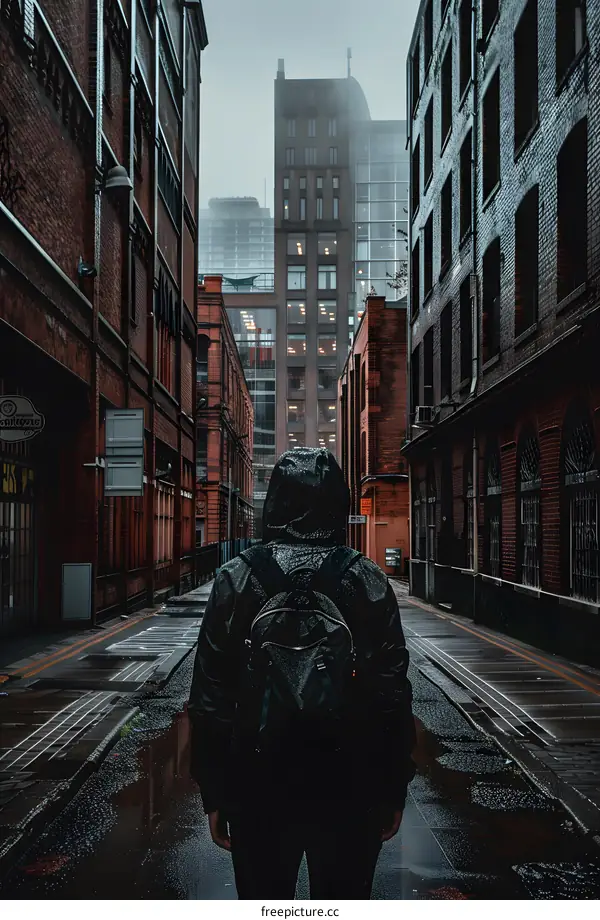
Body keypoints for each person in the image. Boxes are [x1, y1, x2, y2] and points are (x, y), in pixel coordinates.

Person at [188, 448, 416, 900]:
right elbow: (392, 693)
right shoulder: (367, 580)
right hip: (349, 786)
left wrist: (214, 792)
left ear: (274, 503)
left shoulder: (236, 579)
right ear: (339, 502)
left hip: (258, 786)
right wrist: (392, 788)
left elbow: (210, 695)